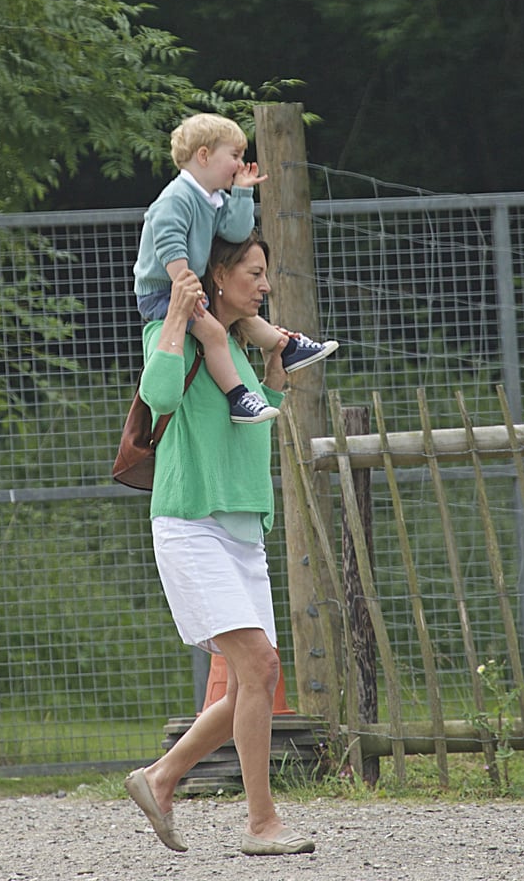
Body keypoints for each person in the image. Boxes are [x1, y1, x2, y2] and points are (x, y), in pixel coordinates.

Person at [124, 232, 316, 857]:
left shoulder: (234, 346)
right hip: (191, 523)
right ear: (220, 275)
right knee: (258, 667)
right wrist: (178, 315)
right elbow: (158, 398)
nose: (264, 285)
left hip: (241, 529)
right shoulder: (175, 335)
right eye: (254, 273)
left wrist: (274, 381)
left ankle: (160, 777)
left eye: (266, 274)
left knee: (248, 682)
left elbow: (246, 436)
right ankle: (262, 825)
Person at [132, 112, 337, 424]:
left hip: (187, 282)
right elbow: (169, 242)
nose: (241, 164)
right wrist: (185, 285)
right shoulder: (177, 197)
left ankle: (288, 347)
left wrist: (242, 192)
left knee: (247, 319)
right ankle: (239, 397)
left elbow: (238, 232)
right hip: (164, 291)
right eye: (235, 156)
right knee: (214, 332)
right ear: (204, 156)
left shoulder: (213, 198)